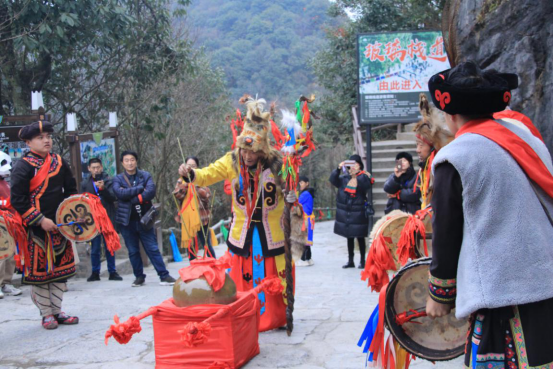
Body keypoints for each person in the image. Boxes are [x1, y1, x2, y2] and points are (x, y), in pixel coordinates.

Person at [424, 61, 553, 367]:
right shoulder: (525, 136)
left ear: (450, 115)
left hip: (506, 291)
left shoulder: (455, 156)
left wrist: (439, 295)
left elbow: (447, 233)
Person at [178, 96, 295, 332]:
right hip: (242, 233)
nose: (248, 156)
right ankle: (244, 316)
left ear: (263, 150)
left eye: (253, 152)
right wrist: (190, 174)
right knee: (242, 277)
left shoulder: (279, 164)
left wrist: (293, 197)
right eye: (245, 150)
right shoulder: (231, 162)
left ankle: (275, 318)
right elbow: (208, 174)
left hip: (271, 233)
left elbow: (292, 189)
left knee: (275, 276)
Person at [10, 121, 79, 329]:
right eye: (41, 138)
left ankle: (57, 311)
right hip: (34, 229)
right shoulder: (23, 166)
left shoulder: (58, 161)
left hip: (60, 225)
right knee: (40, 274)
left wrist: (69, 214)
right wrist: (40, 220)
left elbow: (71, 189)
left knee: (61, 270)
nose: (47, 140)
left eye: (48, 136)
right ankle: (46, 314)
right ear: (28, 142)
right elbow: (18, 199)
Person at [113, 151, 176, 287]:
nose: (130, 163)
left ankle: (163, 275)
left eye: (132, 160)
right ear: (122, 163)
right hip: (127, 220)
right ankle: (139, 277)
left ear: (136, 161)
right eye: (127, 160)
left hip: (145, 219)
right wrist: (140, 189)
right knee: (133, 250)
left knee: (152, 248)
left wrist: (135, 198)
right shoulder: (118, 179)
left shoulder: (145, 175)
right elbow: (119, 193)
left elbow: (150, 191)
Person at [81, 158, 122, 282]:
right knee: (95, 247)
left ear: (101, 167)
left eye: (98, 167)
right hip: (93, 219)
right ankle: (95, 272)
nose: (95, 170)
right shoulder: (85, 183)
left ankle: (112, 271)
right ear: (89, 169)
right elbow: (82, 200)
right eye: (93, 168)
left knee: (110, 245)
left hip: (107, 216)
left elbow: (113, 198)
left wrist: (103, 189)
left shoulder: (109, 180)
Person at [329, 154, 374, 269]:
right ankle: (350, 261)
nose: (354, 166)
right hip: (347, 212)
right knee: (349, 236)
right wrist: (338, 169)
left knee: (360, 237)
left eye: (356, 164)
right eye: (352, 164)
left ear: (360, 166)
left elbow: (366, 186)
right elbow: (333, 180)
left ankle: (363, 261)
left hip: (358, 211)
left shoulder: (364, 177)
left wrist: (355, 175)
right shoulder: (344, 178)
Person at [412, 98, 453, 209]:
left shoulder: (442, 169)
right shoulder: (425, 170)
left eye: (421, 145)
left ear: (432, 147)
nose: (417, 150)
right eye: (417, 145)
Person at [173, 156, 216, 260]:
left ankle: (213, 264)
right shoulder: (181, 181)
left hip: (202, 217)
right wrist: (186, 184)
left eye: (193, 166)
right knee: (190, 245)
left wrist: (195, 184)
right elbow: (177, 196)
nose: (190, 168)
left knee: (206, 243)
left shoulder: (202, 179)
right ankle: (193, 265)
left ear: (197, 167)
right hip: (187, 218)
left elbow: (206, 196)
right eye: (189, 166)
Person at [0, 151, 22, 299]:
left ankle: (6, 282)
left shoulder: (5, 183)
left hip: (9, 221)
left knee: (10, 255)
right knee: (1, 254)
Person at [291, 176, 315, 267]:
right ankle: (308, 258)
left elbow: (295, 203)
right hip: (309, 218)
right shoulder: (309, 193)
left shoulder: (305, 194)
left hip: (305, 218)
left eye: (301, 182)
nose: (300, 184)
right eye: (299, 183)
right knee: (307, 239)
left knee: (302, 239)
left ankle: (303, 259)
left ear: (307, 183)